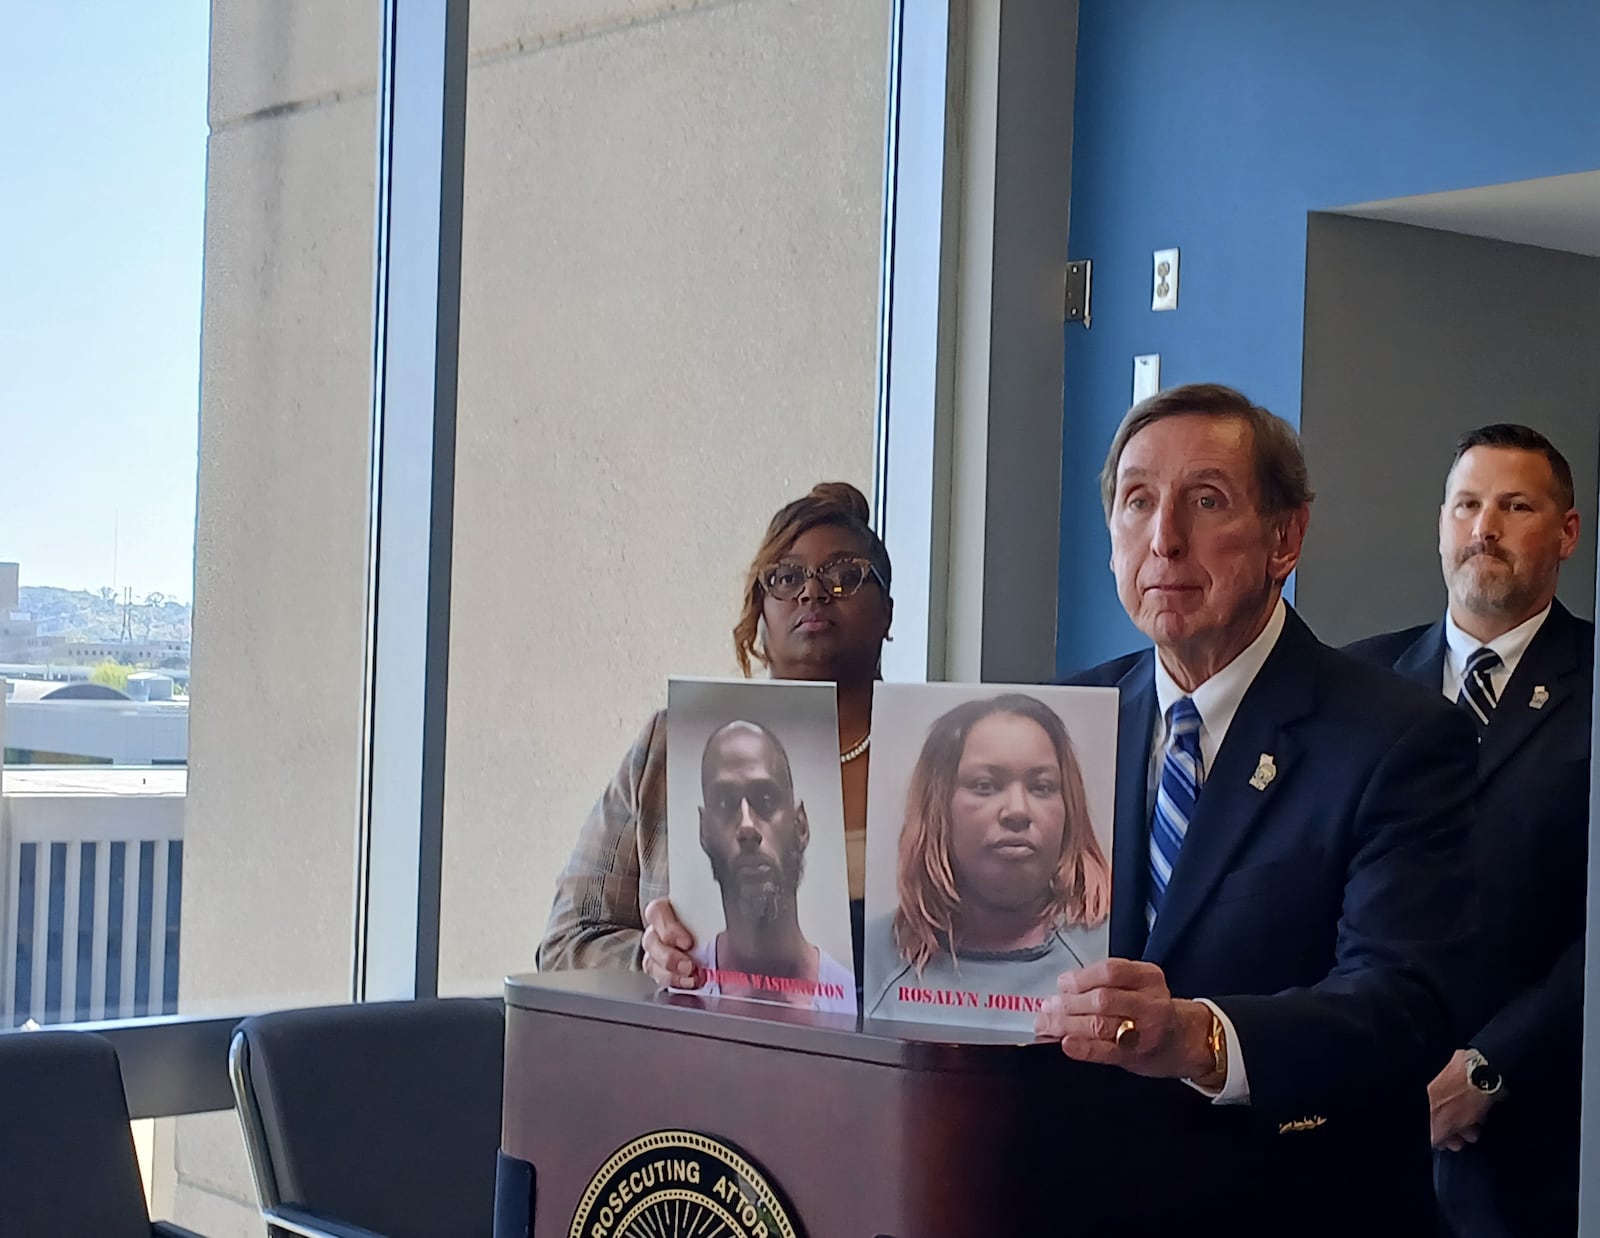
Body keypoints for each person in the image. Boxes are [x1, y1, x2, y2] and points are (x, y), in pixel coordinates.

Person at [1035, 383, 1479, 1234]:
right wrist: (712, 938)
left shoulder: (1398, 737)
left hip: (1296, 1204)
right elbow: (955, 944)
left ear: (1287, 538)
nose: (1164, 537)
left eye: (1206, 501)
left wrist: (1203, 1038)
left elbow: (1405, 1002)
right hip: (1079, 1196)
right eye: (1138, 501)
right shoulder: (1058, 723)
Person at [1346, 424, 1590, 1238]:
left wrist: (1495, 1065)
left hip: (1538, 1139)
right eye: (1466, 504)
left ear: (1566, 534)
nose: (1484, 526)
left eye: (1514, 506)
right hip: (1363, 1121)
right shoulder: (1356, 686)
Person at [538, 482, 893, 987]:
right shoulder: (669, 747)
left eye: (845, 576)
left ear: (888, 610)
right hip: (712, 1060)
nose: (813, 592)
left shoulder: (942, 759)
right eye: (787, 577)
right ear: (759, 615)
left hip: (901, 1063)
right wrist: (651, 958)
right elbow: (567, 941)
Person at [863, 693, 1109, 1025]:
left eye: (1041, 787)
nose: (1018, 811)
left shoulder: (1107, 957)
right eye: (985, 785)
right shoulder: (874, 954)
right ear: (939, 807)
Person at [690, 719, 855, 1014]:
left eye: (765, 799)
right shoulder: (678, 983)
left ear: (801, 825)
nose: (747, 827)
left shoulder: (851, 1002)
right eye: (726, 804)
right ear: (704, 831)